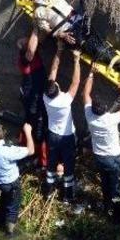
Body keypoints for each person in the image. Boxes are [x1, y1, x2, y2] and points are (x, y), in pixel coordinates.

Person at [83, 69, 120, 222]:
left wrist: (91, 74)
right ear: (105, 109)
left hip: (99, 158)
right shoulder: (111, 119)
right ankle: (117, 217)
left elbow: (85, 94)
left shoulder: (89, 115)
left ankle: (107, 208)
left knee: (105, 183)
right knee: (116, 187)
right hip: (112, 159)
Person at [0, 120, 35, 236]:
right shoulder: (5, 151)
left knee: (5, 197)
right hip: (11, 183)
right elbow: (31, 150)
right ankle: (9, 232)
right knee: (13, 205)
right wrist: (28, 132)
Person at [42, 43, 81, 204]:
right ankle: (67, 196)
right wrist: (76, 60)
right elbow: (75, 82)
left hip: (52, 135)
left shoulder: (46, 96)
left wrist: (58, 50)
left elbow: (53, 72)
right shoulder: (64, 101)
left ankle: (48, 191)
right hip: (66, 137)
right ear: (58, 90)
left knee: (51, 163)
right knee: (69, 165)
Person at [17, 28, 49, 169]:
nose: (27, 40)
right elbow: (31, 50)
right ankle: (37, 156)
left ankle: (33, 149)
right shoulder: (25, 59)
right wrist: (35, 28)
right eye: (25, 41)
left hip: (37, 95)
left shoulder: (33, 53)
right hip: (32, 99)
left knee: (35, 121)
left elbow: (39, 40)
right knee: (37, 122)